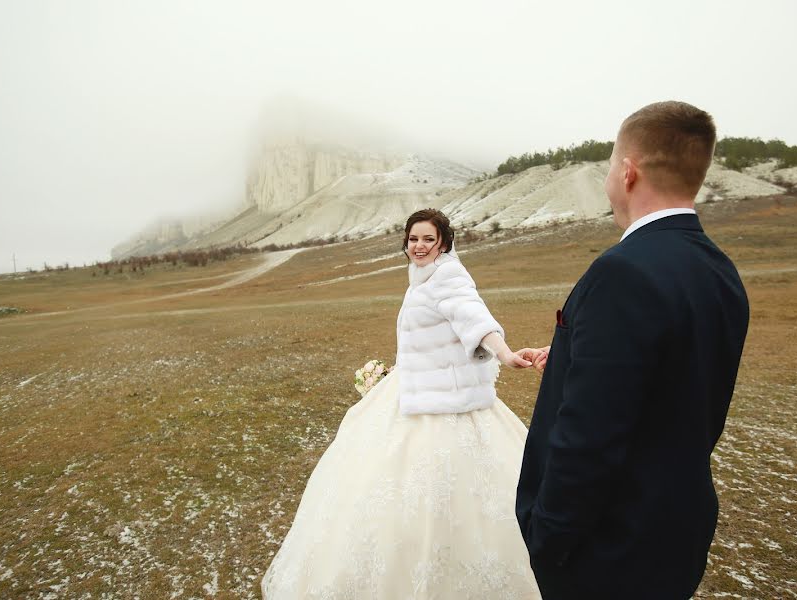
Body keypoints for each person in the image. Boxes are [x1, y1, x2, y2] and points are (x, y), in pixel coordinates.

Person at [515, 101, 750, 599]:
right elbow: (674, 371)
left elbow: (589, 437)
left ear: (627, 172)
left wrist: (547, 537)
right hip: (674, 532)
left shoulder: (622, 271)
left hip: (609, 548)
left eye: (608, 167)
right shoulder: (719, 270)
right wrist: (573, 354)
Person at [262, 209, 542, 599]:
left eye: (428, 239)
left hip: (443, 405)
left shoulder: (448, 276)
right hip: (414, 390)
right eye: (413, 239)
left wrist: (505, 354)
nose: (419, 246)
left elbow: (473, 318)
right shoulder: (422, 278)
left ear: (443, 242)